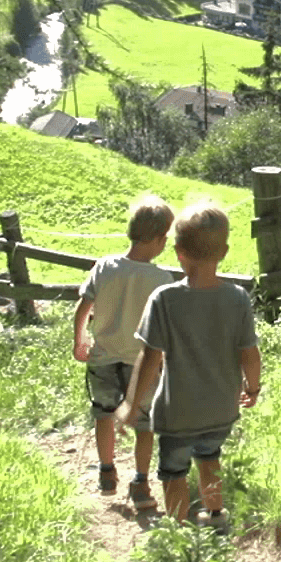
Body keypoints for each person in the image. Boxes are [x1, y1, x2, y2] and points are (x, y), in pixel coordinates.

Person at [118, 205, 262, 529]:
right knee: (210, 459)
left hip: (177, 412)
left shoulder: (164, 299)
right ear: (224, 252)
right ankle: (215, 516)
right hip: (221, 409)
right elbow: (250, 354)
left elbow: (150, 358)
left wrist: (131, 404)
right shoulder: (237, 298)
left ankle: (179, 532)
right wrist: (252, 389)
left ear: (179, 252)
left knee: (174, 471)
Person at [72, 194, 175, 507]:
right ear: (158, 239)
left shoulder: (105, 267)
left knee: (103, 416)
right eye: (166, 238)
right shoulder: (161, 279)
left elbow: (83, 306)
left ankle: (106, 472)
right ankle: (141, 484)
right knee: (145, 425)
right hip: (141, 365)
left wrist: (79, 340)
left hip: (103, 357)